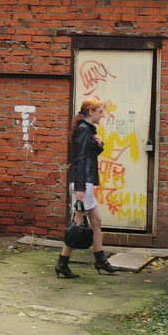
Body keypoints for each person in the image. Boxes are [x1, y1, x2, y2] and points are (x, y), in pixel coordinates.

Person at [55, 97, 116, 279]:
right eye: (100, 111)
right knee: (79, 224)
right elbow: (80, 159)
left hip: (85, 183)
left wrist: (99, 145)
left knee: (94, 221)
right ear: (91, 112)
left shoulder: (87, 130)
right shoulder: (83, 130)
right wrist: (81, 188)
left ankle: (96, 260)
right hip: (83, 184)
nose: (103, 114)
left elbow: (89, 155)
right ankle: (66, 263)